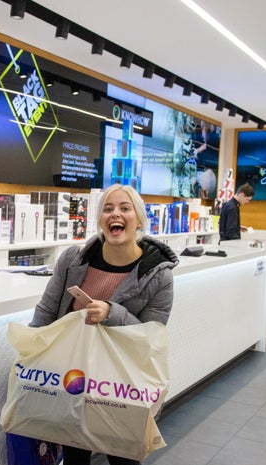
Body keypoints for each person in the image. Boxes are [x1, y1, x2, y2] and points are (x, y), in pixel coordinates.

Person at [29, 184, 179, 465]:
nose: (115, 214)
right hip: (72, 374)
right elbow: (47, 311)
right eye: (108, 209)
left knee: (122, 457)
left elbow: (150, 339)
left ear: (139, 219)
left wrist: (113, 313)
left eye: (124, 208)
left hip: (119, 384)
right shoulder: (73, 260)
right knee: (74, 454)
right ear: (99, 219)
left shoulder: (159, 276)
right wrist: (30, 352)